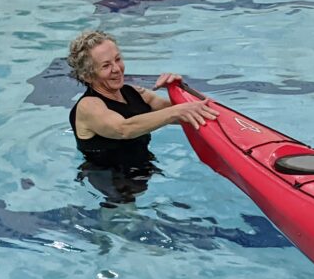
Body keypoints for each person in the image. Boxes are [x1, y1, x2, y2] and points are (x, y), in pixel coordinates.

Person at [67, 30, 217, 203]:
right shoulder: (89, 106)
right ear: (87, 76)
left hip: (143, 169)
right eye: (106, 66)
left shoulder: (135, 93)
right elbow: (123, 129)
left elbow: (193, 111)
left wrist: (181, 89)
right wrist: (176, 111)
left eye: (118, 59)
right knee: (124, 226)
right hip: (111, 183)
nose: (117, 69)